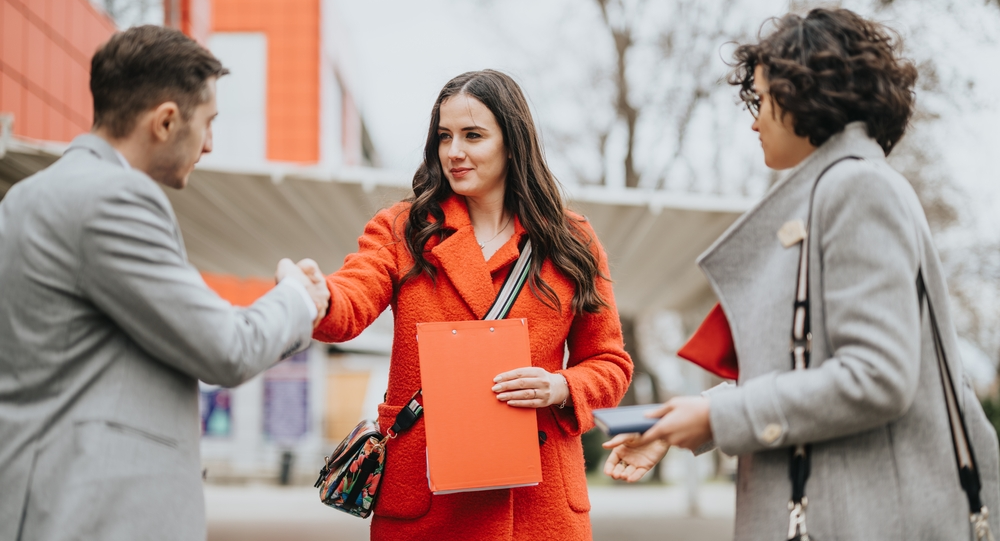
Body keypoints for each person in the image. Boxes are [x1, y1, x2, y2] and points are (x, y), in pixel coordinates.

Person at [603, 8, 1000, 540]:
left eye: (762, 99)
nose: (754, 118)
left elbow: (877, 375)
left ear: (807, 94)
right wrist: (696, 415)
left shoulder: (855, 190)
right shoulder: (843, 189)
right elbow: (811, 366)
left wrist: (718, 419)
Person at [0, 26, 329, 541]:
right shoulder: (115, 199)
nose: (212, 143)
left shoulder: (25, 196)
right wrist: (296, 298)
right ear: (166, 120)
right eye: (209, 122)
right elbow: (226, 348)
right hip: (93, 516)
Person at [312, 69, 633, 540]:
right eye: (444, 136)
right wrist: (317, 297)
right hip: (428, 506)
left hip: (538, 508)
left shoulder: (570, 240)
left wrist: (560, 386)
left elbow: (610, 362)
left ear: (512, 142)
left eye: (473, 135)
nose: (454, 152)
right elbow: (352, 297)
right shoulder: (404, 228)